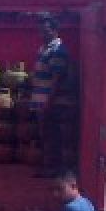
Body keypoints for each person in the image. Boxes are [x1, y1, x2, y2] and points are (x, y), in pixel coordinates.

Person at [31, 16, 78, 176]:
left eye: (46, 30)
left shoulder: (58, 51)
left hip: (54, 103)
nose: (42, 33)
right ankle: (50, 168)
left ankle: (56, 170)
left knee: (54, 136)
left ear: (55, 31)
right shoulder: (44, 48)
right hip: (43, 101)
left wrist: (48, 101)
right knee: (47, 135)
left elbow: (55, 80)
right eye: (41, 30)